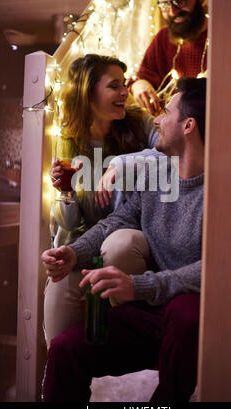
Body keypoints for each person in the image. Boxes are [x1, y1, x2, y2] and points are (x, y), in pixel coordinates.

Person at [41, 76, 206, 402]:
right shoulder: (157, 177)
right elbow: (117, 221)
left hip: (193, 317)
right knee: (64, 350)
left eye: (167, 112)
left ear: (188, 126)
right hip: (151, 313)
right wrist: (73, 253)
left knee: (187, 312)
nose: (157, 119)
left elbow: (218, 269)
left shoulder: (222, 188)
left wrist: (140, 287)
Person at [45, 53, 158, 347]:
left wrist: (121, 163)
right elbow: (70, 222)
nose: (125, 92)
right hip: (88, 242)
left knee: (116, 246)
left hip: (135, 237)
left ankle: (129, 339)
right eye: (114, 86)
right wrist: (66, 192)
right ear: (88, 92)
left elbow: (174, 152)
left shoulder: (140, 124)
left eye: (124, 84)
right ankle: (61, 373)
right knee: (58, 291)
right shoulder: (68, 138)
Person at [131, 0, 208, 114]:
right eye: (165, 5)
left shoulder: (221, 36)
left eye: (179, 1)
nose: (173, 11)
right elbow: (142, 77)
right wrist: (140, 85)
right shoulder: (163, 39)